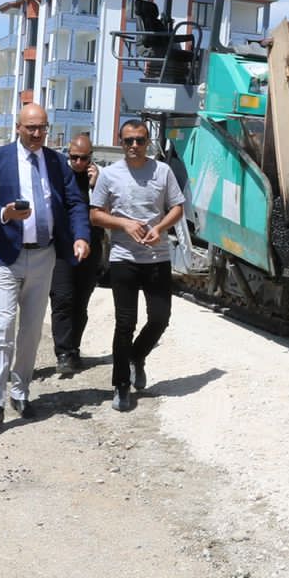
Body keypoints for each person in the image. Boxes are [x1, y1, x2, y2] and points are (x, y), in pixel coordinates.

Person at [0, 103, 90, 427]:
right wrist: (5, 213)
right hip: (5, 255)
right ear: (18, 128)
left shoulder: (55, 162)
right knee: (3, 326)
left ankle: (20, 391)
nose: (37, 134)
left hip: (44, 255)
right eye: (31, 128)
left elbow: (76, 202)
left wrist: (80, 236)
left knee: (32, 330)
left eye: (42, 128)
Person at [88, 119, 185, 411]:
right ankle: (120, 385)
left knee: (160, 317)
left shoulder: (163, 171)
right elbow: (95, 215)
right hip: (123, 259)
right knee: (124, 323)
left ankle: (137, 355)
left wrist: (161, 228)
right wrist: (124, 224)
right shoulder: (109, 176)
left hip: (157, 258)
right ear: (121, 142)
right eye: (129, 140)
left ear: (148, 142)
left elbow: (178, 207)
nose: (134, 146)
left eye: (140, 140)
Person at [49, 132, 105, 377]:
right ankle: (62, 352)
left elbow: (107, 213)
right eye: (74, 157)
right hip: (62, 249)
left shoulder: (100, 182)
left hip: (90, 250)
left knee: (80, 303)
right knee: (62, 299)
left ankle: (73, 349)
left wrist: (96, 187)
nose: (78, 163)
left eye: (83, 158)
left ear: (90, 158)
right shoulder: (61, 177)